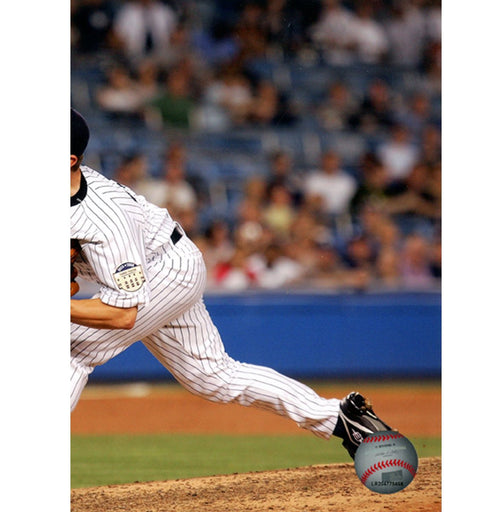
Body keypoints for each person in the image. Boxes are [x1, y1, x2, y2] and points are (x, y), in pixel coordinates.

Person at [70, 108, 393, 459]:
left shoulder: (102, 218)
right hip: (153, 265)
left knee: (73, 348)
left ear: (69, 159)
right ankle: (339, 418)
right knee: (211, 375)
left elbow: (122, 314)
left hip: (166, 269)